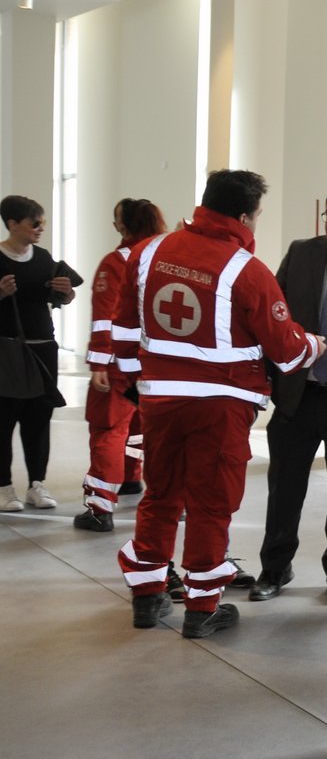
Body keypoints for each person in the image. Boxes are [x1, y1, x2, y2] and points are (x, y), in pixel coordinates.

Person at [113, 171, 323, 637]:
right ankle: (202, 608)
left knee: (160, 494)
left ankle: (147, 598)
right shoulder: (247, 270)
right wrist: (314, 345)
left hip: (159, 402)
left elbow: (124, 330)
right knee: (211, 504)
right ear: (246, 216)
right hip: (221, 407)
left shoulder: (147, 254)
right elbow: (286, 351)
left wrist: (133, 382)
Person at [251, 184, 327, 605]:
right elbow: (275, 319)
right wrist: (270, 381)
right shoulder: (302, 253)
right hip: (298, 396)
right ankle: (274, 568)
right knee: (284, 489)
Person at [76, 198, 164, 533]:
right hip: (157, 365)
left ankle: (100, 507)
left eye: (117, 220)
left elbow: (105, 317)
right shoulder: (166, 258)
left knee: (108, 429)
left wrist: (98, 360)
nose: (114, 225)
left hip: (118, 363)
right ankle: (132, 480)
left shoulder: (117, 262)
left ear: (126, 224)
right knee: (148, 429)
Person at [0, 195, 80, 513]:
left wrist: (67, 293)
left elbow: (59, 299)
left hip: (43, 348)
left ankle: (37, 484)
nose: (40, 228)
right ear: (13, 224)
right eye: (34, 223)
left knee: (39, 419)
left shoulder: (44, 257)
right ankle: (4, 487)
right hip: (6, 349)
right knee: (4, 420)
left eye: (42, 222)